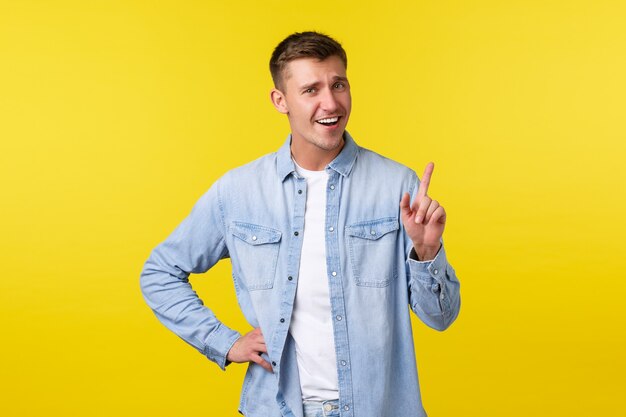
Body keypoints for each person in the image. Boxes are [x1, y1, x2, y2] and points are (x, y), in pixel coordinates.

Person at [140, 31, 461, 417]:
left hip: (380, 407)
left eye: (338, 84)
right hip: (278, 408)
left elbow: (441, 318)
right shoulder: (239, 192)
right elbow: (160, 273)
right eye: (311, 90)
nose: (331, 102)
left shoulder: (398, 187)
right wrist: (224, 343)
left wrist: (427, 252)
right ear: (281, 101)